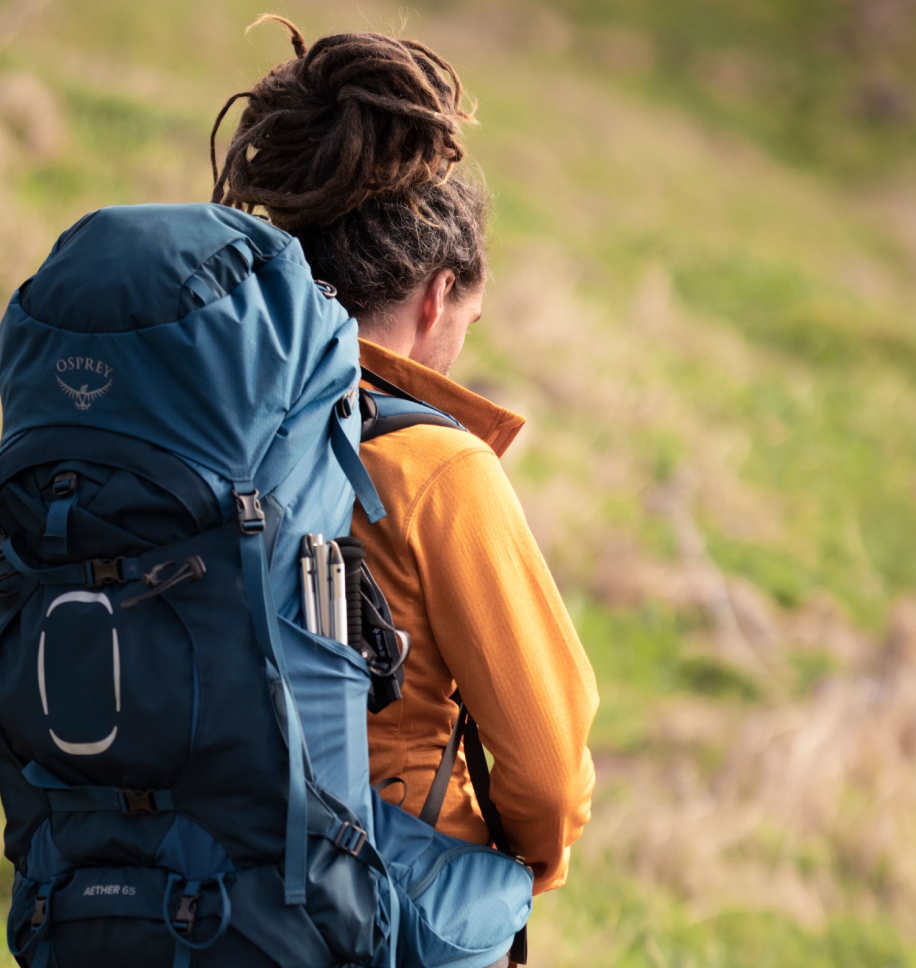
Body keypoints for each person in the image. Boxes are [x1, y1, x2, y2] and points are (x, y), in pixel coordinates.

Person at [210, 13, 599, 924]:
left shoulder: (212, 416)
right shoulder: (436, 469)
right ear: (437, 295)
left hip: (184, 880)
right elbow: (548, 774)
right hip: (362, 908)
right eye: (469, 321)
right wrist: (511, 879)